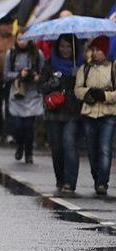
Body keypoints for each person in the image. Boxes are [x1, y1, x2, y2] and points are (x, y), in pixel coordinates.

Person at [39, 34, 83, 192]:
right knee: (56, 147)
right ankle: (60, 179)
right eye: (62, 46)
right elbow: (41, 87)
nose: (65, 50)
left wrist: (76, 78)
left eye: (69, 47)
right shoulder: (50, 63)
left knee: (69, 143)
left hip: (73, 112)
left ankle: (70, 182)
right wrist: (52, 83)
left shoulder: (81, 64)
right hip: (54, 112)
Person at [74, 36, 115, 195]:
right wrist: (89, 93)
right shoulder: (85, 69)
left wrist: (105, 96)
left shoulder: (113, 68)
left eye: (99, 50)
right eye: (94, 50)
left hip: (108, 114)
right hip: (89, 114)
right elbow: (77, 90)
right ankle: (96, 176)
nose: (96, 53)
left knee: (105, 148)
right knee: (92, 149)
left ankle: (102, 182)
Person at [4, 31, 44, 164]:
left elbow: (43, 72)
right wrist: (19, 75)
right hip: (17, 92)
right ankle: (19, 145)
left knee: (29, 126)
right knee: (18, 125)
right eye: (19, 39)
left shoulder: (38, 54)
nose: (22, 42)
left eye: (25, 39)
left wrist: (36, 76)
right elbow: (6, 74)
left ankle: (29, 152)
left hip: (32, 94)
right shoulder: (11, 54)